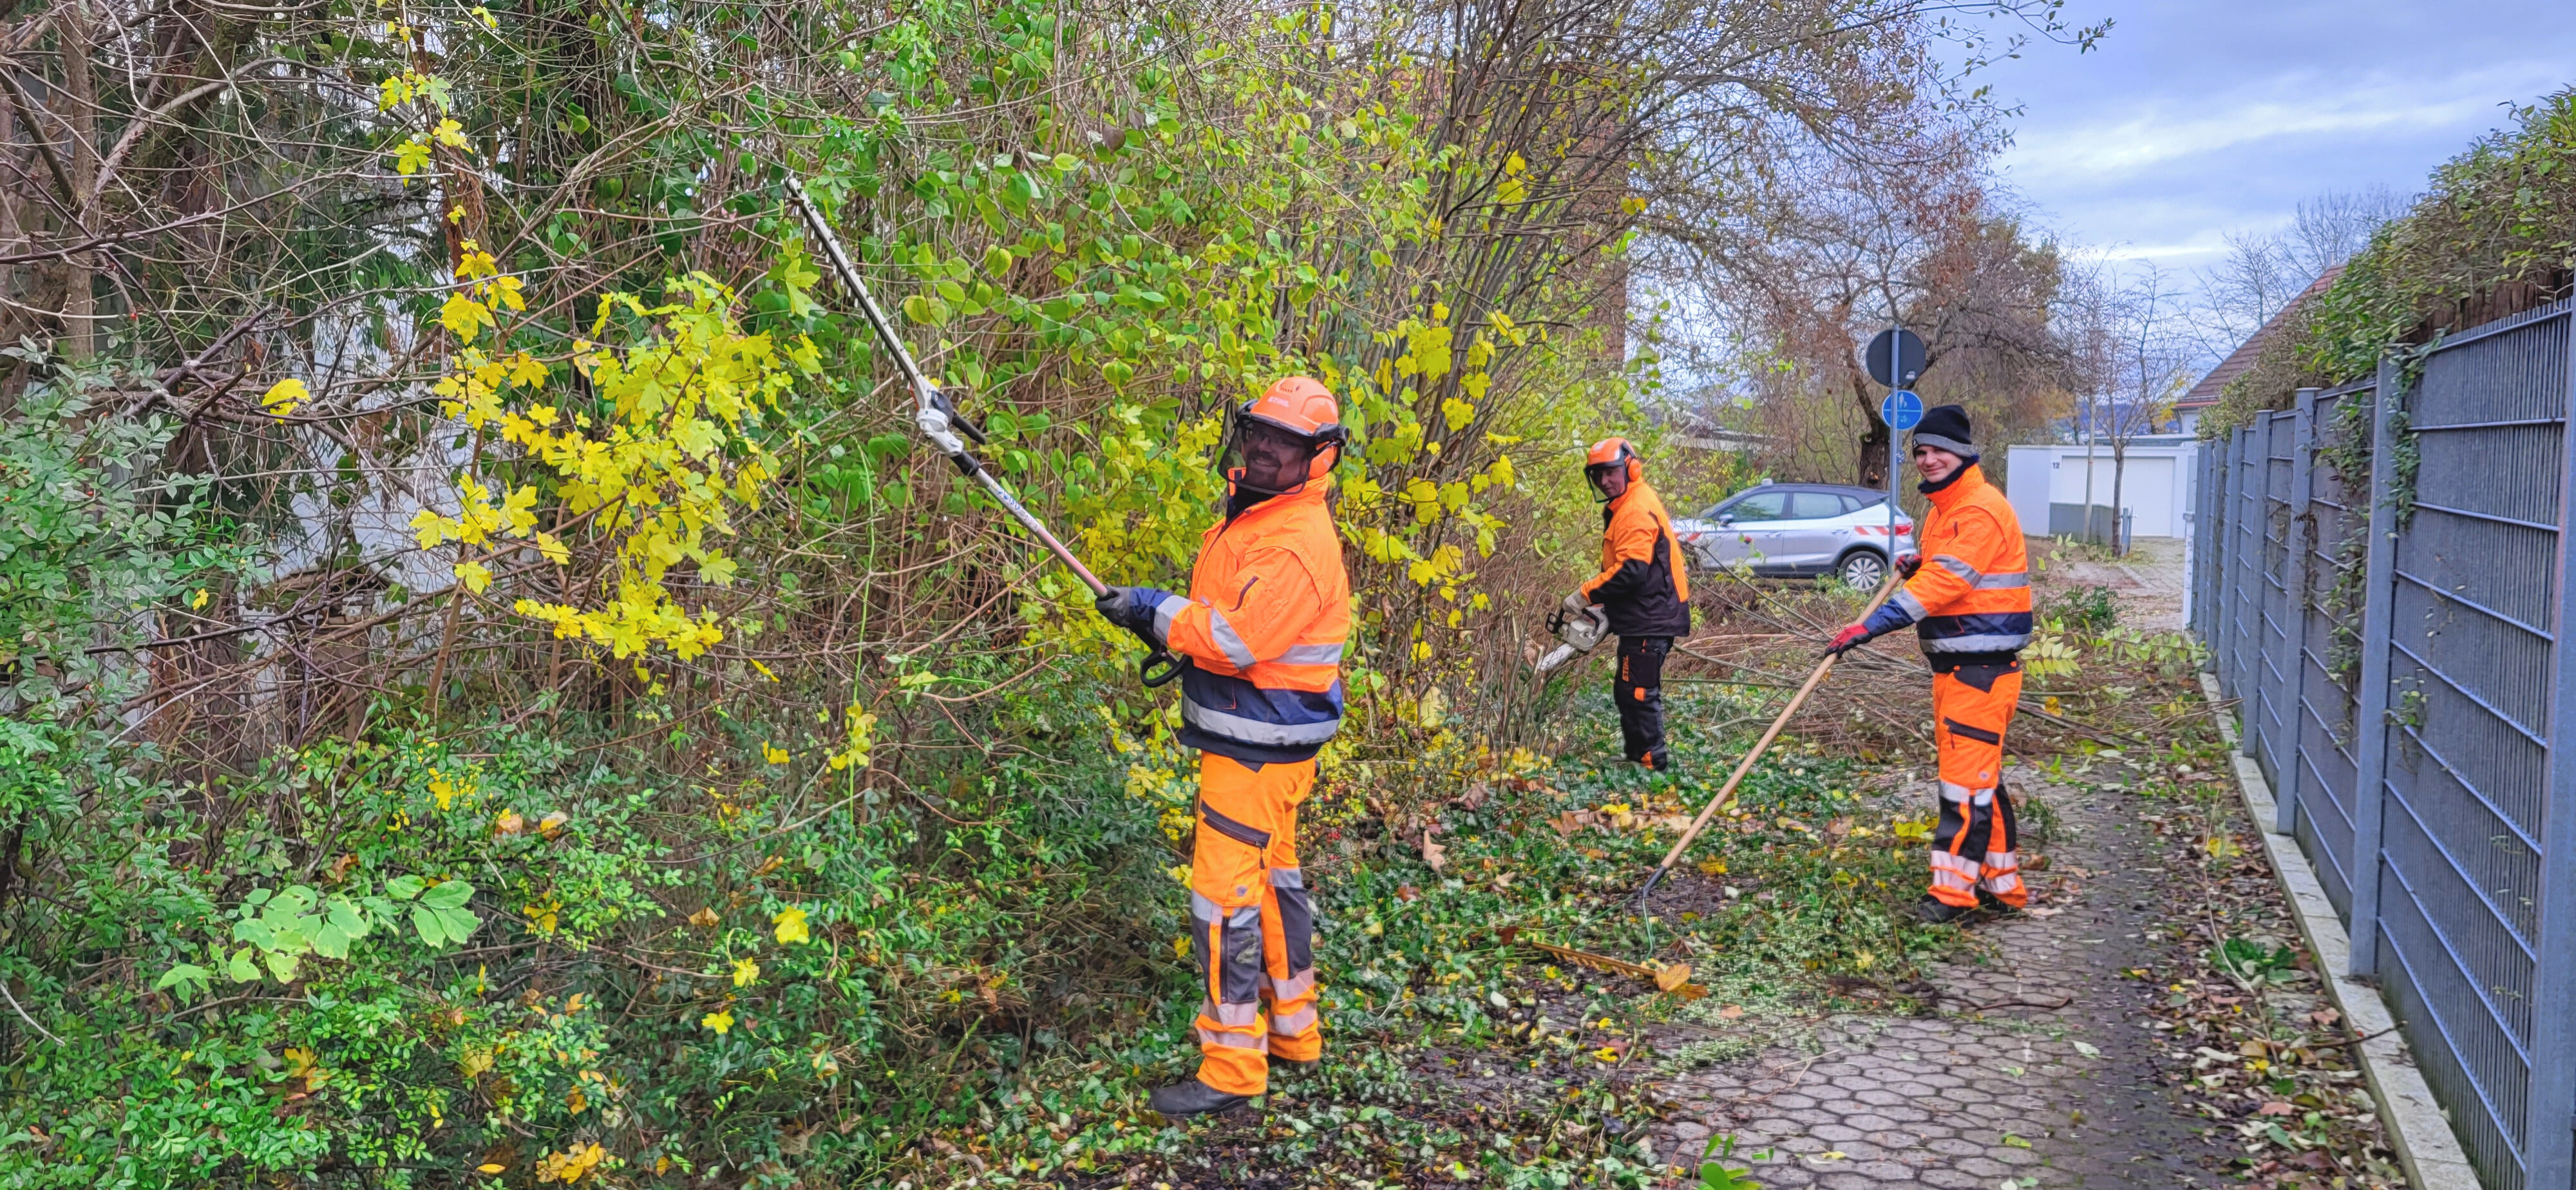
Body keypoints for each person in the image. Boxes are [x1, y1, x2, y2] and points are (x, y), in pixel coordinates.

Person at [1092, 377, 1351, 1117]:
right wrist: (1158, 618)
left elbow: (1235, 639)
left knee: (1223, 901)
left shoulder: (1294, 540)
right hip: (1265, 743)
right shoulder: (1264, 519)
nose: (1266, 451)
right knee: (1273, 884)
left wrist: (1151, 609)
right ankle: (1295, 1034)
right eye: (1260, 435)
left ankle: (1232, 1071)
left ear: (1320, 458)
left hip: (1255, 751)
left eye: (1287, 444)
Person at [1824, 405, 2033, 923]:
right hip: (1958, 670)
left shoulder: (1979, 509)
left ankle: (1951, 898)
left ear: (1963, 452)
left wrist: (1873, 625)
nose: (1928, 459)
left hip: (1982, 674)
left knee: (1962, 787)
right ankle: (2001, 887)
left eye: (1938, 449)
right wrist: (1920, 561)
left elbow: (1948, 584)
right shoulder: (1945, 510)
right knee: (1977, 780)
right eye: (1920, 451)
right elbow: (1948, 569)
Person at [1562, 438, 1692, 771]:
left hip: (1653, 616)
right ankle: (1638, 756)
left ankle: (1652, 764)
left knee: (1638, 691)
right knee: (1627, 688)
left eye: (1610, 472)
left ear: (1630, 468)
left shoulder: (1635, 508)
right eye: (1597, 475)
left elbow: (1632, 571)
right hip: (1644, 613)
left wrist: (1586, 595)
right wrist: (1609, 608)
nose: (1604, 481)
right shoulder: (1626, 503)